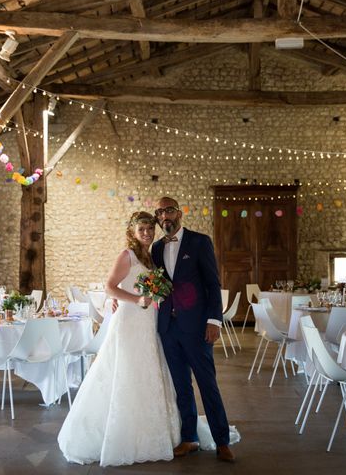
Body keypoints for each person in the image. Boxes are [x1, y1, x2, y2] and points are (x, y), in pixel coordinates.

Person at [57, 211, 181, 467]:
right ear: (132, 232)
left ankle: (152, 430)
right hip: (129, 320)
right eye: (141, 229)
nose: (146, 233)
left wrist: (151, 297)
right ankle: (120, 433)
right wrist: (135, 299)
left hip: (148, 321)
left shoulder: (151, 256)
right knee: (126, 371)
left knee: (147, 370)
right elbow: (110, 286)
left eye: (149, 228)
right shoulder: (128, 255)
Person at [151, 197, 236, 463]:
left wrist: (214, 321)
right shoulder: (155, 248)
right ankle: (190, 438)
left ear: (179, 213)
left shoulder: (200, 242)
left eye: (170, 210)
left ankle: (221, 440)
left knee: (207, 384)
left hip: (198, 327)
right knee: (181, 386)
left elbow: (213, 283)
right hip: (168, 327)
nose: (166, 216)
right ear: (158, 217)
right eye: (161, 212)